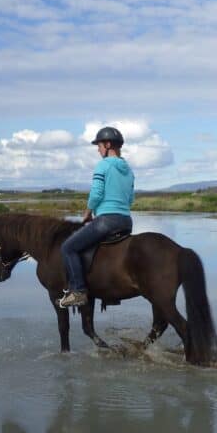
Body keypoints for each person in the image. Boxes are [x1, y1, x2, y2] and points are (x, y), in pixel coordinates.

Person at [58, 126, 135, 308]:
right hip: (126, 221)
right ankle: (111, 292)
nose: (98, 149)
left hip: (106, 221)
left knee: (68, 248)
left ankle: (78, 291)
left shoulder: (103, 165)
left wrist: (88, 213)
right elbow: (130, 198)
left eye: (99, 145)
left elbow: (97, 193)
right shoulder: (129, 170)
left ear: (108, 145)